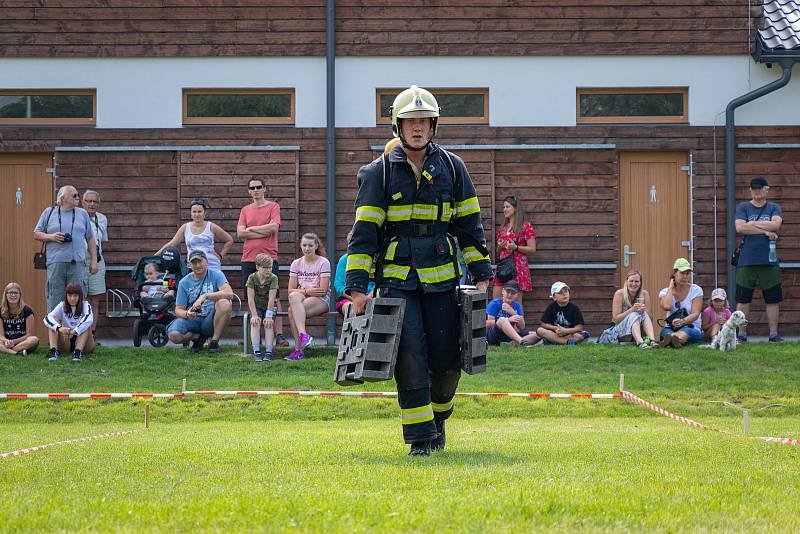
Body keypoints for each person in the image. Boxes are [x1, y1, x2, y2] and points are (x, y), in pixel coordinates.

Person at [346, 85, 493, 457]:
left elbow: (470, 226)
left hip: (443, 277)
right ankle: (420, 440)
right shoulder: (376, 174)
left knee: (446, 360)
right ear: (398, 126)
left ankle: (440, 417)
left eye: (423, 121)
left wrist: (482, 272)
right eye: (410, 121)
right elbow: (363, 236)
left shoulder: (453, 168)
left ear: (433, 125)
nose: (417, 128)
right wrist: (357, 288)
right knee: (410, 354)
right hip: (397, 281)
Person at [237, 177, 289, 347]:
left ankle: (279, 335)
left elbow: (274, 228)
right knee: (250, 296)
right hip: (248, 258)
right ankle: (253, 336)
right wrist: (261, 231)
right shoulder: (245, 210)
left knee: (275, 296)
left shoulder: (273, 206)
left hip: (269, 258)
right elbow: (240, 234)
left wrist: (250, 229)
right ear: (249, 191)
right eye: (252, 188)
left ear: (265, 189)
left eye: (259, 187)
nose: (256, 190)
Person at [734, 176, 784, 342]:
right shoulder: (743, 207)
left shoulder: (774, 207)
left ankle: (773, 334)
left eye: (759, 188)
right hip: (746, 261)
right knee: (743, 299)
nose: (756, 191)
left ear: (766, 189)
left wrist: (753, 225)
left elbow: (776, 225)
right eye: (753, 188)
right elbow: (740, 227)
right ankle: (741, 334)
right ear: (750, 190)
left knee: (772, 299)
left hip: (769, 261)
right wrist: (764, 230)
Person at [33, 185, 98, 313]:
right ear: (62, 198)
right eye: (74, 195)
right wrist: (51, 237)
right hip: (56, 264)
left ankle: (76, 332)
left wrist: (94, 261)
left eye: (78, 195)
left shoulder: (82, 213)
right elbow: (36, 234)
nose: (78, 198)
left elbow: (90, 238)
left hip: (77, 264)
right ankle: (55, 331)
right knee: (54, 299)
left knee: (78, 299)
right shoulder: (49, 212)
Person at [167, 250, 233, 354]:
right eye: (194, 262)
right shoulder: (183, 282)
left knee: (225, 303)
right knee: (174, 335)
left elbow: (229, 293)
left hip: (211, 319)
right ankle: (198, 338)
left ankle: (214, 342)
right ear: (189, 265)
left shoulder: (216, 274)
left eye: (200, 261)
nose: (197, 265)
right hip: (193, 319)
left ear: (206, 262)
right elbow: (178, 310)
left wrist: (205, 296)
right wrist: (187, 314)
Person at [285, 233, 331, 361]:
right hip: (303, 297)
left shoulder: (323, 262)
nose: (307, 248)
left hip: (321, 300)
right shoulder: (296, 263)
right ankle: (303, 335)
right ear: (300, 246)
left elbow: (322, 290)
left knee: (291, 310)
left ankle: (298, 350)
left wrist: (303, 291)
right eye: (304, 245)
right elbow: (290, 290)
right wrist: (308, 291)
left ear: (316, 246)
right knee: (294, 297)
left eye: (310, 245)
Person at [156, 198, 233, 271]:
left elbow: (229, 240)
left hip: (211, 266)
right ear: (191, 213)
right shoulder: (185, 228)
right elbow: (171, 244)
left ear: (204, 213)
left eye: (199, 211)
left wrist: (221, 255)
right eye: (194, 211)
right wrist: (154, 257)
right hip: (193, 266)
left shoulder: (211, 227)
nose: (197, 214)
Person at [598, 270, 658, 348]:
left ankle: (652, 340)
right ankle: (640, 342)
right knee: (634, 314)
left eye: (636, 281)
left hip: (636, 329)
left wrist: (644, 309)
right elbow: (615, 320)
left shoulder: (644, 294)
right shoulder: (620, 294)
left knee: (643, 313)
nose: (633, 284)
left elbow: (650, 318)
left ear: (640, 283)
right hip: (618, 330)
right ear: (626, 281)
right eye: (631, 281)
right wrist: (631, 310)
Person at [492, 196, 536, 301]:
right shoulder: (503, 228)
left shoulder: (525, 226)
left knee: (516, 303)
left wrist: (515, 247)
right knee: (496, 301)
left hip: (518, 268)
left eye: (508, 207)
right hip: (503, 268)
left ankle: (517, 318)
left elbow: (532, 248)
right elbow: (498, 252)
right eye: (504, 207)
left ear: (515, 209)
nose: (504, 210)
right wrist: (500, 246)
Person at [658, 258, 703, 349]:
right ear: (674, 274)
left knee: (685, 332)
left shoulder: (696, 290)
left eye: (687, 273)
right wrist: (670, 287)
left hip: (691, 326)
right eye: (682, 273)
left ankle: (670, 341)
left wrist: (683, 321)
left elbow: (696, 313)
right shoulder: (665, 292)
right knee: (665, 332)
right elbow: (666, 306)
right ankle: (673, 340)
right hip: (671, 327)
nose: (685, 276)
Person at [43, 282, 94, 362]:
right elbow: (47, 318)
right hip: (66, 338)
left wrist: (75, 331)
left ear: (80, 296)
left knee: (86, 325)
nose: (72, 298)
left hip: (82, 340)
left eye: (75, 295)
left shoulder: (85, 305)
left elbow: (89, 319)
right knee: (53, 323)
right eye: (69, 295)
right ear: (66, 296)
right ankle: (53, 351)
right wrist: (59, 328)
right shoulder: (62, 305)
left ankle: (78, 353)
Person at [82, 190, 108, 342]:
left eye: (95, 202)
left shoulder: (102, 219)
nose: (91, 204)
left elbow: (102, 240)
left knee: (94, 299)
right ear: (82, 202)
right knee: (80, 297)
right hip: (80, 261)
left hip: (97, 260)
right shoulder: (77, 217)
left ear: (99, 203)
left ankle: (92, 334)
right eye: (88, 201)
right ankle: (79, 333)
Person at [334, 230, 375, 317]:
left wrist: (369, 297)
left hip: (372, 297)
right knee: (351, 309)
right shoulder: (344, 260)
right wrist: (355, 298)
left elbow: (377, 282)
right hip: (348, 298)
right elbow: (338, 284)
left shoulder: (373, 259)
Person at [246, 253, 279, 362]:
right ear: (257, 267)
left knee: (268, 324)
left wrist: (269, 316)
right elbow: (250, 298)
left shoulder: (273, 278)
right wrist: (254, 315)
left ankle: (269, 351)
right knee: (255, 322)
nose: (268, 270)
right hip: (256, 307)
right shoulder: (251, 278)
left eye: (270, 267)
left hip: (269, 307)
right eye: (265, 268)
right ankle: (256, 351)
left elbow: (272, 298)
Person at [486, 281, 540, 346]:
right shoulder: (495, 304)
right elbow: (488, 324)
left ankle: (513, 343)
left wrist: (513, 312)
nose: (509, 295)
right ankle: (522, 341)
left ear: (517, 295)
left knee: (538, 333)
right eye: (508, 292)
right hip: (495, 335)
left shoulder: (516, 305)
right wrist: (508, 320)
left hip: (510, 334)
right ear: (503, 291)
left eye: (513, 293)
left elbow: (522, 327)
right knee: (502, 320)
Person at [0, 282, 39, 356]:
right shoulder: (0, 311)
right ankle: (17, 353)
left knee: (34, 339)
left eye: (16, 293)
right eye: (10, 292)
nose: (13, 295)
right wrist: (7, 341)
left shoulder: (27, 310)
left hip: (22, 342)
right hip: (6, 342)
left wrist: (13, 342)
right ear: (6, 295)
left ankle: (7, 351)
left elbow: (29, 334)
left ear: (20, 295)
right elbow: (0, 335)